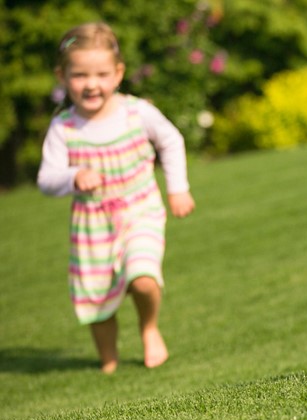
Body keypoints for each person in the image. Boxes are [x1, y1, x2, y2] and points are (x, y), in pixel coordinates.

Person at [38, 22, 195, 373]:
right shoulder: (63, 127)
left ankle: (149, 327)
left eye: (101, 74)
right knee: (96, 297)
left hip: (140, 210)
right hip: (91, 224)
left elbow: (171, 140)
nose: (91, 84)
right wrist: (73, 176)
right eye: (79, 75)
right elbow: (46, 179)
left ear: (118, 73)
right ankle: (108, 357)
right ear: (62, 76)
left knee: (143, 277)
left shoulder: (136, 112)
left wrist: (178, 187)